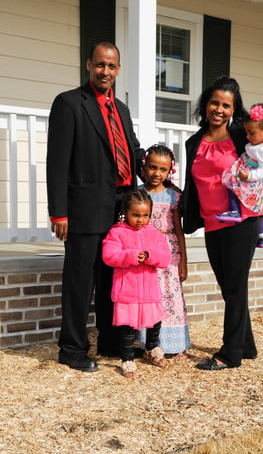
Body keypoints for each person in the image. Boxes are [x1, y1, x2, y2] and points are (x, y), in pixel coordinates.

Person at [46, 42, 144, 372]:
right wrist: (59, 212)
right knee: (80, 282)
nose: (105, 71)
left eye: (112, 66)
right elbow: (57, 162)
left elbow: (130, 150)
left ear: (118, 70)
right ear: (89, 64)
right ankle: (72, 348)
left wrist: (156, 167)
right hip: (84, 209)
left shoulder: (122, 109)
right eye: (100, 65)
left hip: (120, 207)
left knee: (110, 280)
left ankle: (111, 341)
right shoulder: (70, 103)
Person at [183, 76, 262, 371]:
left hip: (242, 219)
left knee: (234, 287)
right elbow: (194, 182)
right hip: (212, 222)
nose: (219, 109)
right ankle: (248, 345)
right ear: (206, 104)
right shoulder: (194, 142)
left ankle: (230, 354)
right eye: (215, 102)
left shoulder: (243, 136)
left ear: (233, 110)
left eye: (226, 105)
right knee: (228, 285)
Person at [102, 190, 172, 378]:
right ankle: (127, 358)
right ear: (126, 211)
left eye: (145, 215)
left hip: (150, 290)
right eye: (135, 215)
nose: (140, 219)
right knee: (128, 328)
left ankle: (152, 348)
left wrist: (150, 256)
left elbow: (165, 257)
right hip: (127, 291)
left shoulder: (154, 234)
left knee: (155, 322)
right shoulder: (116, 232)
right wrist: (131, 256)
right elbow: (109, 256)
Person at [139, 145, 192, 358]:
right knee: (147, 295)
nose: (156, 173)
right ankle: (147, 343)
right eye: (152, 167)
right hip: (146, 251)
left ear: (170, 171)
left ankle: (173, 344)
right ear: (144, 167)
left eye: (163, 169)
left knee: (170, 297)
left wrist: (183, 261)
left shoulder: (174, 196)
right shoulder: (137, 194)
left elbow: (179, 232)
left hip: (169, 253)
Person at [215, 103, 263, 249]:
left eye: (251, 133)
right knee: (261, 208)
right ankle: (261, 236)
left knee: (232, 182)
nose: (247, 137)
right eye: (247, 132)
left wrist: (248, 175)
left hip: (259, 177)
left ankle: (235, 211)